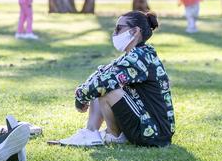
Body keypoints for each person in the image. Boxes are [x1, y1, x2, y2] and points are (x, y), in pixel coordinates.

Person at [60, 11, 175, 147]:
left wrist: (80, 99)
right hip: (149, 127)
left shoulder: (140, 56)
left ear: (135, 31)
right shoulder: (134, 54)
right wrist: (82, 91)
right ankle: (91, 132)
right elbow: (101, 74)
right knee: (103, 85)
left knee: (107, 88)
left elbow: (105, 82)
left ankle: (113, 135)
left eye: (119, 28)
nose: (115, 33)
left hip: (155, 134)